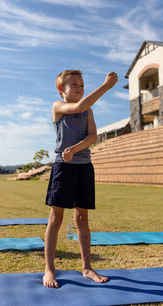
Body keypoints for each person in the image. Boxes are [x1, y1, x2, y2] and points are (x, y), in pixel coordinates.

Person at [43, 69, 118, 288]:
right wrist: (106, 86)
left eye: (82, 85)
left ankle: (87, 268)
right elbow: (78, 107)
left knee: (82, 219)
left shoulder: (89, 112)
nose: (79, 88)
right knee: (55, 219)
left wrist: (74, 149)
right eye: (74, 84)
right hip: (63, 169)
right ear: (61, 89)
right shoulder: (58, 107)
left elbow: (93, 136)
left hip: (84, 167)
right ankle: (49, 270)